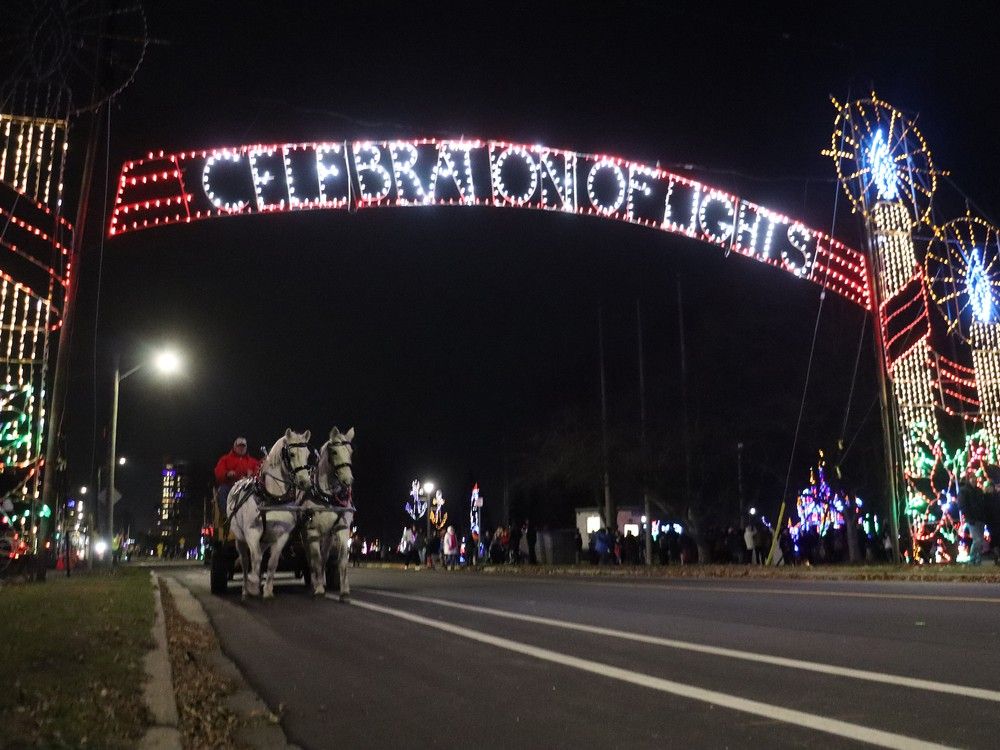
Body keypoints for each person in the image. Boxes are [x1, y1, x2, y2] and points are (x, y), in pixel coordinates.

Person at [213, 437, 261, 518]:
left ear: (246, 447)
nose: (241, 448)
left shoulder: (253, 461)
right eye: (239, 446)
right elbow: (218, 472)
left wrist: (253, 474)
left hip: (248, 487)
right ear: (234, 447)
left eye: (243, 446)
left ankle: (259, 515)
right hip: (230, 485)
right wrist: (227, 474)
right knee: (222, 490)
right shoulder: (225, 459)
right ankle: (226, 516)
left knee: (260, 493)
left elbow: (260, 472)